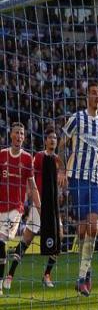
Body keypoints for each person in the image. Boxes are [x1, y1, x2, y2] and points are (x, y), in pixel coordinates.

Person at [58, 82, 98, 297]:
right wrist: (62, 169)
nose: (97, 96)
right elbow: (61, 144)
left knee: (94, 227)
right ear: (87, 97)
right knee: (82, 230)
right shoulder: (77, 118)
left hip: (94, 181)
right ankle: (86, 271)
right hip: (76, 179)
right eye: (93, 93)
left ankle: (82, 277)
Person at [4, 126, 62, 290]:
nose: (53, 140)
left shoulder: (57, 160)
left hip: (53, 206)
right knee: (27, 239)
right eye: (50, 137)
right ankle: (9, 276)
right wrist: (27, 196)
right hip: (39, 205)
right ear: (45, 140)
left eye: (55, 138)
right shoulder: (39, 157)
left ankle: (47, 275)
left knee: (60, 236)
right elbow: (30, 177)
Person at [0, 122, 41, 295]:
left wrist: (39, 207)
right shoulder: (2, 155)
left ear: (24, 137)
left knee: (1, 241)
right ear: (11, 135)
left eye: (22, 134)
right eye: (16, 133)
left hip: (15, 209)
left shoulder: (26, 158)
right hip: (0, 206)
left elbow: (32, 186)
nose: (19, 136)